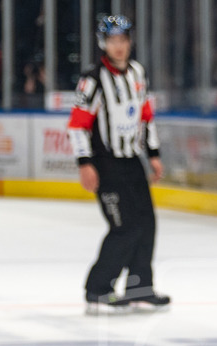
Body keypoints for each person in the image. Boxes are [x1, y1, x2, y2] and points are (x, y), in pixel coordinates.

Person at [68, 15, 169, 314]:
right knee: (124, 226)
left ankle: (140, 288)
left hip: (131, 161)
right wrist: (85, 163)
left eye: (123, 40)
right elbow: (78, 124)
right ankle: (98, 290)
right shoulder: (93, 79)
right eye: (113, 41)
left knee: (146, 224)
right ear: (104, 44)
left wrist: (153, 154)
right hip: (105, 164)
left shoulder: (137, 72)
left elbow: (145, 115)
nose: (119, 46)